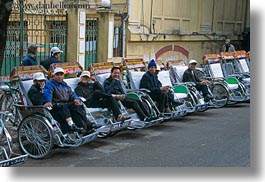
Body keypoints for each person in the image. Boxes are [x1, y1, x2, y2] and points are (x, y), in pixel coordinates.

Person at [43, 67, 93, 134]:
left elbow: (72, 94)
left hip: (66, 105)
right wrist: (48, 101)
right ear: (54, 76)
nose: (59, 76)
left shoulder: (65, 84)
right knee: (63, 106)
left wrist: (76, 99)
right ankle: (71, 125)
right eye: (57, 75)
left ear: (63, 76)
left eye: (61, 75)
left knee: (78, 105)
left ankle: (86, 124)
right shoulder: (50, 84)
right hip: (56, 106)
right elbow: (47, 92)